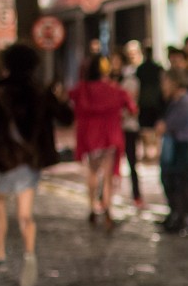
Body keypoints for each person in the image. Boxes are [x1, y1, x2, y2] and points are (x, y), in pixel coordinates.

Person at [0, 44, 73, 286]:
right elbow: (67, 118)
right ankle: (29, 254)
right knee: (25, 214)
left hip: (3, 158)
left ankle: (0, 254)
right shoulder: (40, 91)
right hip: (29, 160)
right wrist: (59, 97)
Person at [69, 56, 137, 231]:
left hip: (90, 137)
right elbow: (131, 108)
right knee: (108, 174)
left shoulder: (81, 90)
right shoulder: (113, 90)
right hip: (109, 135)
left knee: (92, 171)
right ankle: (107, 206)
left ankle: (92, 206)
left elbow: (69, 102)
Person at [156, 69, 188, 236]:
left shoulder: (185, 101)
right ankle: (178, 216)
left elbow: (167, 126)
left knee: (185, 183)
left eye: (166, 82)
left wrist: (164, 127)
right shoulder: (175, 101)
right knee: (175, 182)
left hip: (185, 146)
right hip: (179, 146)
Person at [118, 41, 145, 208]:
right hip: (117, 125)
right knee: (111, 164)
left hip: (131, 125)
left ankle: (137, 194)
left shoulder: (137, 75)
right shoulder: (121, 75)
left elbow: (134, 105)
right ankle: (104, 196)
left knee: (132, 161)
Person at [135, 43, 165, 161]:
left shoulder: (142, 69)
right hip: (152, 100)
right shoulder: (154, 68)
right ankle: (152, 152)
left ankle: (149, 152)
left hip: (147, 100)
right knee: (148, 127)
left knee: (147, 127)